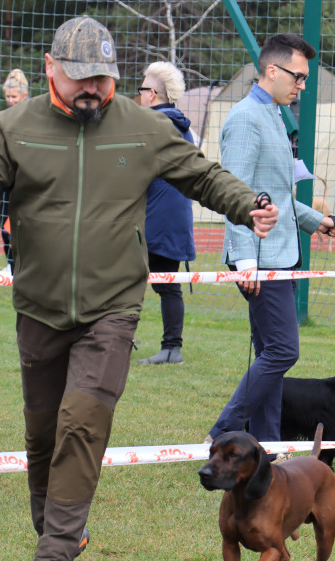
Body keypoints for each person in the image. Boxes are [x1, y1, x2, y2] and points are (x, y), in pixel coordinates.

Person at [0, 16, 280, 561]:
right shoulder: (9, 128)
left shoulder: (142, 127)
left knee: (81, 424)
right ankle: (63, 532)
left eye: (102, 78)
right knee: (44, 437)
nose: (91, 90)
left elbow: (199, 174)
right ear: (51, 69)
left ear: (116, 75)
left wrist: (246, 203)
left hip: (113, 309)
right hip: (39, 309)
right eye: (79, 80)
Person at [207, 33, 335, 445]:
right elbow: (237, 193)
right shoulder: (246, 119)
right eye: (298, 77)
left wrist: (314, 220)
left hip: (281, 252)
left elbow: (278, 194)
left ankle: (267, 444)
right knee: (284, 351)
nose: (301, 86)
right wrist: (245, 259)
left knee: (271, 354)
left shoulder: (272, 113)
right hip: (259, 257)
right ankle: (224, 431)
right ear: (272, 70)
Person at [136, 61, 195, 365]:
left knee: (123, 277)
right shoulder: (183, 126)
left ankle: (119, 338)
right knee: (168, 285)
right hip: (174, 217)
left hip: (153, 218)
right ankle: (172, 348)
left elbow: (132, 167)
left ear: (153, 93)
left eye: (141, 88)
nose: (139, 94)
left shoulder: (155, 124)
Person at [0, 69, 31, 273]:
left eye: (14, 97)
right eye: (8, 97)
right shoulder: (2, 119)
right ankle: (12, 269)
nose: (10, 100)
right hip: (7, 186)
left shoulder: (33, 118)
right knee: (6, 229)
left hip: (26, 185)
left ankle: (27, 268)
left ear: (24, 96)